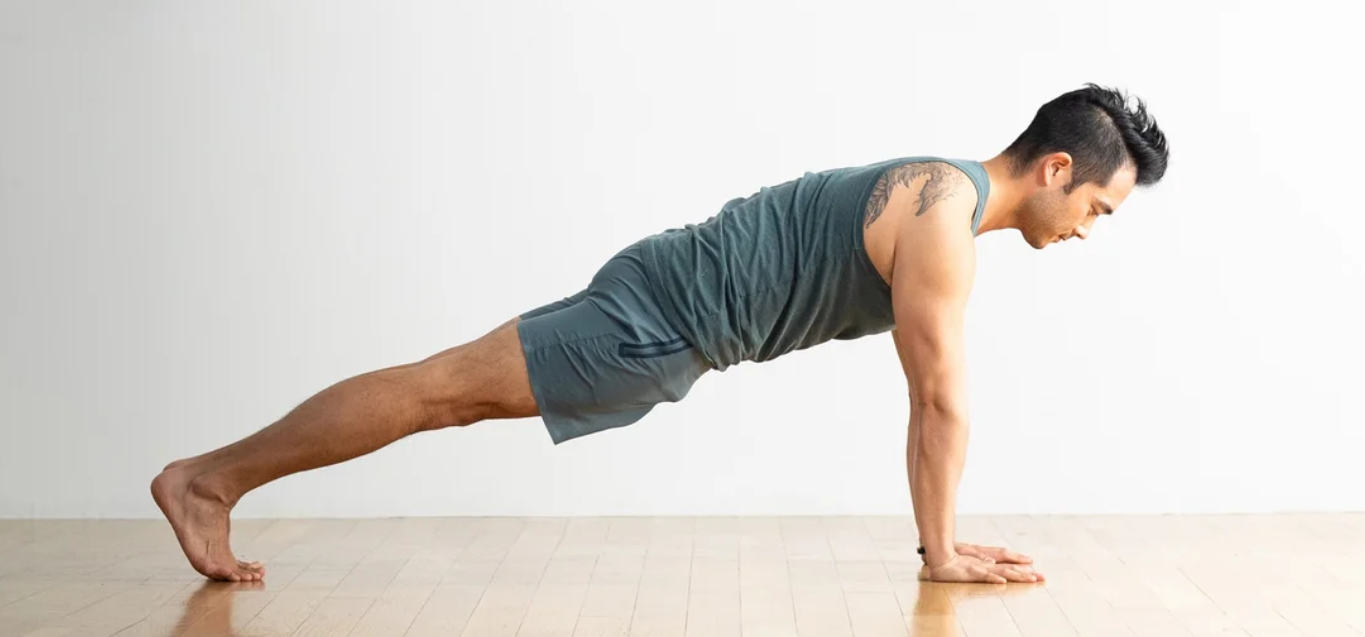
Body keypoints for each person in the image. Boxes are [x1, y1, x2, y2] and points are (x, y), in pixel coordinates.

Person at [152, 83, 1169, 584]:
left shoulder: (938, 187)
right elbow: (939, 401)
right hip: (657, 323)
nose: (1090, 229)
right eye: (1098, 207)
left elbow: (929, 399)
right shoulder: (944, 226)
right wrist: (939, 551)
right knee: (436, 393)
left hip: (660, 293)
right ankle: (208, 480)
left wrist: (936, 539)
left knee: (439, 391)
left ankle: (213, 479)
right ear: (1055, 169)